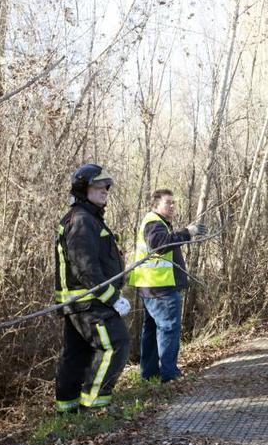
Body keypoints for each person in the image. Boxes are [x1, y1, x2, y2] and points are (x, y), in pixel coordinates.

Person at [54, 164, 131, 414]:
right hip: (90, 302)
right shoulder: (81, 220)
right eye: (99, 186)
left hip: (82, 303)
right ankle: (94, 406)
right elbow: (86, 269)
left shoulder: (88, 218)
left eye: (106, 186)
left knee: (76, 355)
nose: (105, 190)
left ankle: (68, 409)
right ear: (82, 188)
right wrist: (113, 298)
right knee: (116, 343)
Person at [128, 189, 205, 383]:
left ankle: (150, 374)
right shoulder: (154, 223)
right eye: (167, 202)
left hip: (151, 286)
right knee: (169, 329)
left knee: (152, 330)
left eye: (173, 203)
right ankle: (169, 375)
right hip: (160, 288)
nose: (172, 206)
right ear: (155, 205)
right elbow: (160, 246)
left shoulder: (156, 222)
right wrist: (187, 232)